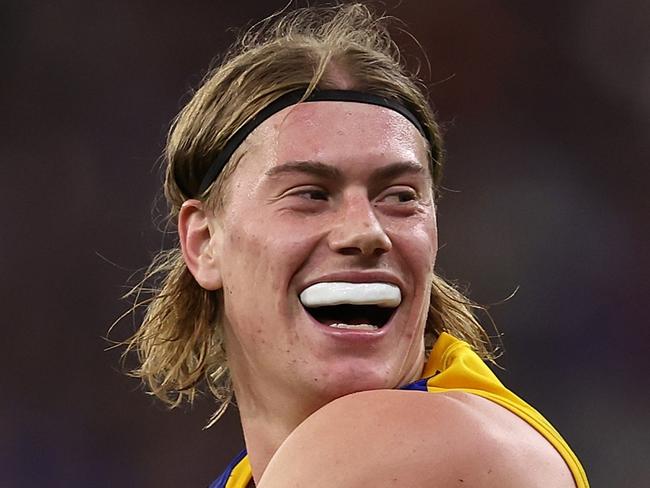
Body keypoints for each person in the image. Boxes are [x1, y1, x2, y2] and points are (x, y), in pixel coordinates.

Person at [123, 4, 589, 487]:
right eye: (310, 194)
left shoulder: (412, 444)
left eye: (399, 197)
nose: (366, 232)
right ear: (204, 242)